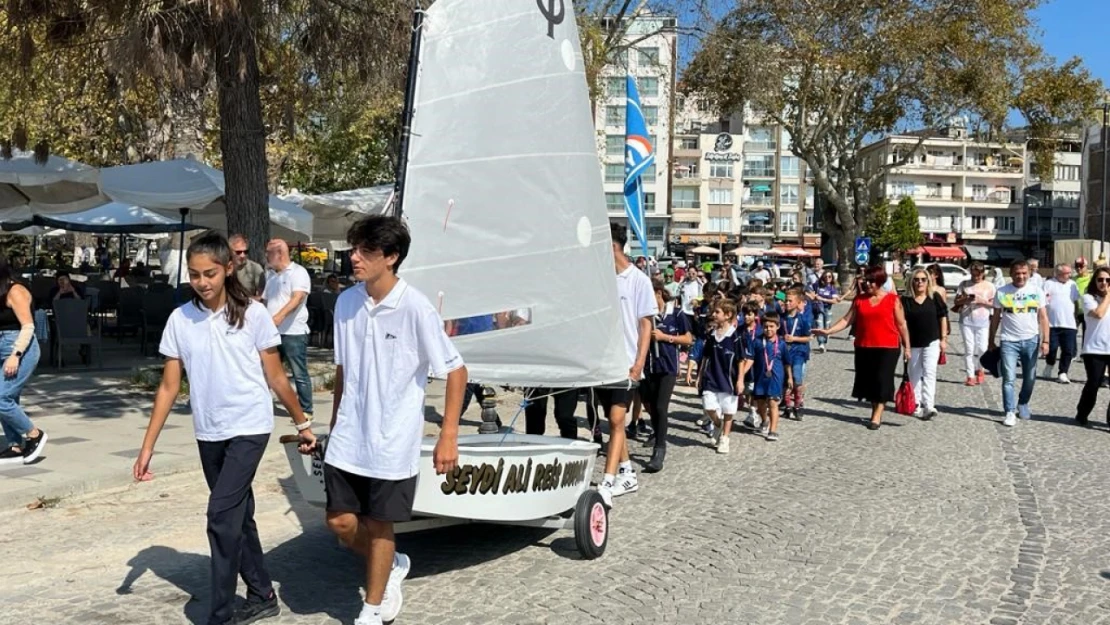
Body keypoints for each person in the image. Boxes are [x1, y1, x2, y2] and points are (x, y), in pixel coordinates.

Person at [133, 231, 316, 625]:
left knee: (220, 515)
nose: (202, 282)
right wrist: (148, 445)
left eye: (210, 273)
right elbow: (168, 386)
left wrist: (302, 422)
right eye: (195, 274)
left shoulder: (253, 314)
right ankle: (263, 593)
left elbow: (277, 376)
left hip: (249, 425)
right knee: (237, 513)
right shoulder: (180, 319)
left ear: (228, 268)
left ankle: (219, 614)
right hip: (208, 431)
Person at [325, 215, 466, 625]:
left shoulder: (415, 308)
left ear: (391, 257)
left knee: (380, 524)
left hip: (392, 438)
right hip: (349, 434)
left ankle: (371, 608)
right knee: (339, 521)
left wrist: (448, 435)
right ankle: (390, 564)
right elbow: (342, 370)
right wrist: (335, 424)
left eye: (366, 251)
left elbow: (456, 371)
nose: (355, 258)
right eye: (354, 249)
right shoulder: (346, 302)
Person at [596, 223, 656, 506]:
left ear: (612, 247)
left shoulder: (639, 280)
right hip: (602, 362)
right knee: (610, 417)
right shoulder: (601, 279)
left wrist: (638, 362)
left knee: (618, 420)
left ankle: (607, 482)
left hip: (627, 362)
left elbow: (646, 325)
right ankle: (627, 471)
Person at [814, 265, 911, 430]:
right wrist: (828, 331)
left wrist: (907, 347)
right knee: (871, 381)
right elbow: (847, 320)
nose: (868, 284)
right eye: (867, 280)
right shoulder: (859, 299)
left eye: (872, 281)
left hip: (888, 346)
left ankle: (877, 415)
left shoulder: (893, 300)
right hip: (864, 346)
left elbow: (902, 325)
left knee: (882, 380)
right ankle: (875, 408)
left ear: (879, 282)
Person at [989, 260, 1049, 427]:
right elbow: (995, 318)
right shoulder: (1001, 292)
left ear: (1029, 274)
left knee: (1030, 377)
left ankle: (1023, 403)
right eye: (1017, 273)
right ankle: (1009, 410)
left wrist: (1046, 340)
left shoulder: (1037, 291)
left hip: (1031, 340)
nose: (1020, 276)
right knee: (1009, 378)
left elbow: (1043, 317)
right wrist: (991, 340)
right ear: (1011, 274)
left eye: (1024, 273)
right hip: (1009, 340)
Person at [642, 277, 692, 471]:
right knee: (650, 405)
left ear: (658, 293)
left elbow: (688, 339)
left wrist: (666, 338)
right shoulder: (646, 316)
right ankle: (657, 431)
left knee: (661, 407)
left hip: (668, 367)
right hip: (649, 366)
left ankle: (659, 449)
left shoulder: (676, 313)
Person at [0, 255, 45, 465]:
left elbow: (28, 326)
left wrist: (15, 356)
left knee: (1, 398)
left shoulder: (16, 291)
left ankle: (34, 434)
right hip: (3, 348)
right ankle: (15, 445)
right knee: (10, 397)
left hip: (21, 348)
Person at [263, 239, 313, 420]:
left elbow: (297, 298)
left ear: (280, 254)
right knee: (267, 370)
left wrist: (279, 316)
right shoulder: (271, 276)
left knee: (298, 372)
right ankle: (262, 405)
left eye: (269, 253)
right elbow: (266, 301)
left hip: (293, 331)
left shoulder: (298, 273)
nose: (266, 257)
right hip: (272, 332)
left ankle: (306, 410)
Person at [901, 267, 948, 420]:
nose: (920, 282)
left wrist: (943, 339)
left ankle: (929, 404)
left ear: (928, 281)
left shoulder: (934, 297)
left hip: (932, 341)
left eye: (923, 279)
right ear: (911, 282)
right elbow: (902, 323)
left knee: (930, 372)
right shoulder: (905, 300)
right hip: (913, 343)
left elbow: (943, 317)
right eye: (916, 279)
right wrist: (905, 346)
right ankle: (915, 403)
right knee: (914, 374)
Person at [696, 299, 741, 453]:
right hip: (711, 378)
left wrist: (740, 379)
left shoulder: (735, 336)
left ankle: (725, 438)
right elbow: (705, 357)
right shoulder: (711, 335)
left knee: (728, 410)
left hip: (728, 379)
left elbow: (741, 360)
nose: (713, 315)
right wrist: (700, 376)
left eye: (717, 312)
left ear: (728, 315)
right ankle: (717, 424)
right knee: (708, 406)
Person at [1074, 266, 1110, 427]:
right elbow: (1099, 314)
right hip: (1094, 349)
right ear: (1095, 281)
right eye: (1100, 279)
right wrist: (1108, 296)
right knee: (1093, 384)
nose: (1104, 283)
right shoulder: (1089, 298)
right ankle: (1082, 413)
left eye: (1108, 280)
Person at [744, 311, 787, 441]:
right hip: (760, 377)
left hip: (776, 378)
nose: (768, 329)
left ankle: (773, 431)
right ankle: (764, 421)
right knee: (761, 404)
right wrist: (742, 374)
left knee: (773, 403)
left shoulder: (782, 344)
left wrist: (789, 378)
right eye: (766, 326)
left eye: (771, 326)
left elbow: (787, 362)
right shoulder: (757, 342)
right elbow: (750, 358)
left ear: (777, 326)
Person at [953, 262, 995, 386]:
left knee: (982, 348)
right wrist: (966, 300)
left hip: (983, 321)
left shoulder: (990, 286)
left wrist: (982, 301)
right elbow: (956, 301)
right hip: (966, 320)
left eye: (978, 274)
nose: (976, 277)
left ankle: (980, 369)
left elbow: (995, 304)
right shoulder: (964, 284)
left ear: (983, 273)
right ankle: (970, 375)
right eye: (974, 274)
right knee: (969, 349)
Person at [1041, 263, 1080, 384]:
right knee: (1052, 348)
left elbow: (1075, 301)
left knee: (1068, 350)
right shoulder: (1048, 284)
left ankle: (1063, 372)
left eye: (1070, 273)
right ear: (1058, 273)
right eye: (1066, 273)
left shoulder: (1072, 285)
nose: (1069, 275)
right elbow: (1043, 302)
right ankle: (1050, 363)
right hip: (1052, 323)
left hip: (1069, 324)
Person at [780, 288, 812, 421]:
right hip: (784, 353)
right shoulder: (781, 319)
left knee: (797, 378)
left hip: (798, 353)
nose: (787, 303)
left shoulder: (803, 320)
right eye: (785, 300)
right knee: (785, 380)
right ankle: (787, 405)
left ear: (798, 302)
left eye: (790, 301)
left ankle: (798, 405)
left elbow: (808, 337)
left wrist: (795, 339)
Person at [229, 234, 266, 300]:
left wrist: (244, 300)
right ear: (230, 252)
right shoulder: (224, 268)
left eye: (245, 252)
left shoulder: (255, 268)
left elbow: (262, 297)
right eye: (238, 252)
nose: (242, 255)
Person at [812, 271, 839, 354]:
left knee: (827, 327)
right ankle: (821, 344)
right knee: (819, 325)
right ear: (823, 277)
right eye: (826, 276)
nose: (827, 278)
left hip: (828, 309)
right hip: (819, 308)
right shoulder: (817, 285)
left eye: (829, 276)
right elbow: (811, 292)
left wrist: (823, 299)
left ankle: (825, 340)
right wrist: (814, 297)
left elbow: (835, 301)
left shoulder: (832, 288)